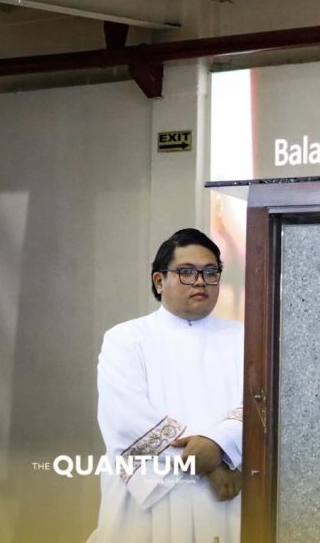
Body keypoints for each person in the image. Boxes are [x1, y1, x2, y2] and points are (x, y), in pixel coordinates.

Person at [89, 228, 245, 543]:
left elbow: (263, 405)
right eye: (186, 272)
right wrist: (208, 463)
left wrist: (219, 444)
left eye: (210, 272)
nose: (200, 282)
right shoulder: (126, 339)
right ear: (159, 281)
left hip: (227, 495)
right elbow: (125, 419)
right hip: (152, 500)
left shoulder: (247, 339)